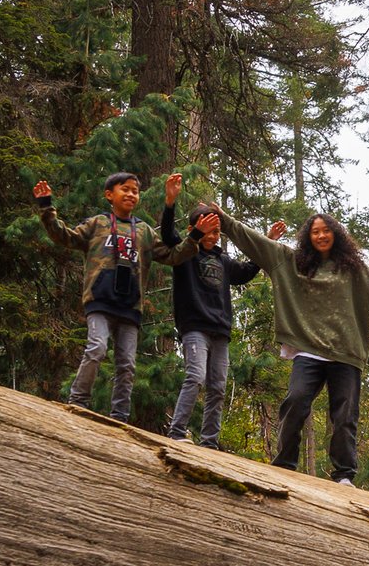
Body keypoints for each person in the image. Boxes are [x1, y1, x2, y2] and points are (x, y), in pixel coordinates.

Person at [214, 207, 369, 486]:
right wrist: (225, 221)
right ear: (307, 237)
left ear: (336, 235)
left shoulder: (356, 270)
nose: (321, 236)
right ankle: (285, 465)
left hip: (346, 352)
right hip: (308, 350)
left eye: (326, 231)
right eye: (315, 232)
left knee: (345, 414)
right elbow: (255, 241)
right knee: (296, 401)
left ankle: (344, 474)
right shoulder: (291, 262)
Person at [35, 171, 161, 421]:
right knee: (97, 348)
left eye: (135, 191)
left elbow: (173, 254)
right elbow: (65, 236)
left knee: (127, 364)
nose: (131, 194)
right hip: (100, 300)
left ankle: (120, 416)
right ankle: (78, 401)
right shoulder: (98, 224)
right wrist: (46, 207)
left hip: (130, 306)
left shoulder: (145, 232)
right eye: (124, 189)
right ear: (109, 195)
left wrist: (197, 237)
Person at [155, 173, 262, 449]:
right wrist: (170, 203)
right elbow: (167, 235)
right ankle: (177, 432)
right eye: (208, 231)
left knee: (218, 386)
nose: (213, 236)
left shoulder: (223, 259)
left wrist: (266, 244)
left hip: (220, 330)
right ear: (196, 229)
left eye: (216, 232)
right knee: (195, 376)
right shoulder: (185, 252)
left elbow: (246, 272)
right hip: (194, 327)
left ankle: (209, 442)